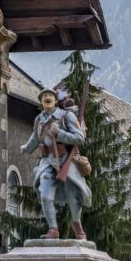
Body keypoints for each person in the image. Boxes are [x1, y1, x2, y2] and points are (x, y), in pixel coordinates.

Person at [21, 87, 92, 240]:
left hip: (66, 160)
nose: (47, 97)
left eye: (50, 95)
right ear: (41, 101)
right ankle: (53, 229)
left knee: (73, 196)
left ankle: (76, 224)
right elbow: (35, 138)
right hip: (48, 162)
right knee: (45, 195)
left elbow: (79, 138)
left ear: (54, 100)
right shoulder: (39, 119)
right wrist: (26, 148)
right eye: (44, 96)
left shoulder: (66, 116)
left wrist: (59, 133)